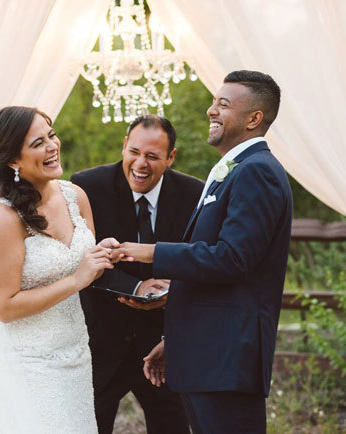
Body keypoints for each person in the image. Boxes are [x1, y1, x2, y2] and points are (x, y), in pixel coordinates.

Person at [117, 71, 293, 433]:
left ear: (254, 119)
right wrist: (175, 340)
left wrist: (151, 252)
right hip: (207, 356)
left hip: (226, 361)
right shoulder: (235, 169)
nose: (211, 110)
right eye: (214, 101)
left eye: (223, 104)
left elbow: (232, 258)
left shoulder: (257, 172)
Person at [0, 106, 117, 433]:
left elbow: (87, 266)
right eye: (38, 143)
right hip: (26, 362)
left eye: (51, 135)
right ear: (13, 161)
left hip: (75, 351)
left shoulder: (75, 196)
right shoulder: (1, 217)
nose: (52, 146)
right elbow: (5, 307)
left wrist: (101, 256)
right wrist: (77, 279)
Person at [71, 115, 203, 434]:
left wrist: (171, 295)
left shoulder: (193, 193)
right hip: (100, 341)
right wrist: (137, 286)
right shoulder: (87, 186)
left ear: (171, 157)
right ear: (123, 147)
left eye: (152, 156)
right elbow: (79, 258)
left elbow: (198, 262)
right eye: (134, 152)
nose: (140, 164)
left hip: (162, 345)